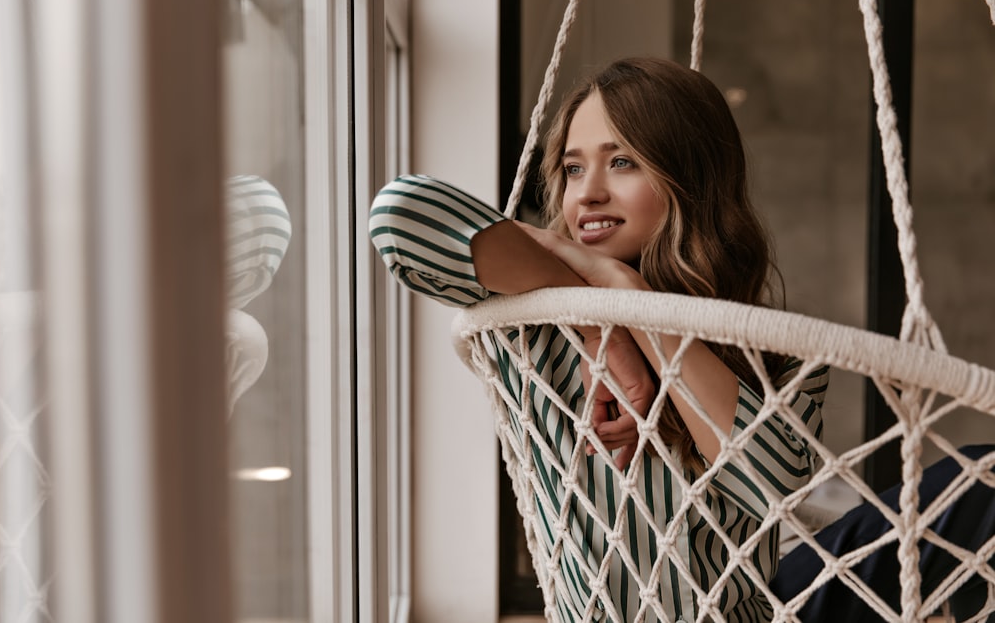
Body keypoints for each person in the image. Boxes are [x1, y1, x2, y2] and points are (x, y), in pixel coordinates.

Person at [369, 57, 995, 622]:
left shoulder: (763, 345)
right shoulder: (530, 323)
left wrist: (635, 307)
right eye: (571, 168)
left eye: (622, 162)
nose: (586, 193)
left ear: (686, 179)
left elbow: (770, 486)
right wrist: (600, 322)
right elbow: (400, 214)